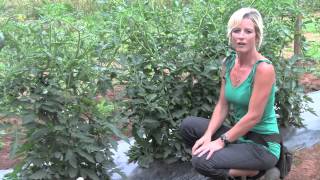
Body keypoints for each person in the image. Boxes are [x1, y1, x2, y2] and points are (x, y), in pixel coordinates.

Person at [180, 7, 281, 180]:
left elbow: (253, 117)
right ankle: (230, 166)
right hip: (239, 135)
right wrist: (208, 136)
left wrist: (220, 141)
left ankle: (257, 173)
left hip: (262, 145)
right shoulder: (228, 63)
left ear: (256, 35)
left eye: (248, 31)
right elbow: (222, 104)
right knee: (188, 126)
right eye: (236, 30)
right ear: (231, 34)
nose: (241, 36)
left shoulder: (264, 69)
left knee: (201, 161)